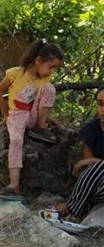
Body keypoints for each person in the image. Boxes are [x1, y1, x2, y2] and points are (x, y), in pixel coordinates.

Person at [0, 40, 64, 200]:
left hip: (32, 117)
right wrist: (6, 115)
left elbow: (39, 102)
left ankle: (40, 128)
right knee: (16, 140)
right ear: (38, 60)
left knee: (50, 89)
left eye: (55, 68)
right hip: (17, 115)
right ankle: (14, 184)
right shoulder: (15, 74)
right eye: (50, 66)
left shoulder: (44, 81)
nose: (52, 71)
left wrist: (47, 119)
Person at [44, 87, 104, 222]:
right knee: (94, 169)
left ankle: (71, 208)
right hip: (98, 187)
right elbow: (89, 168)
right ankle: (79, 211)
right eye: (100, 104)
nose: (103, 108)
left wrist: (95, 161)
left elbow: (93, 163)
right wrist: (92, 162)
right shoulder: (91, 129)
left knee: (100, 166)